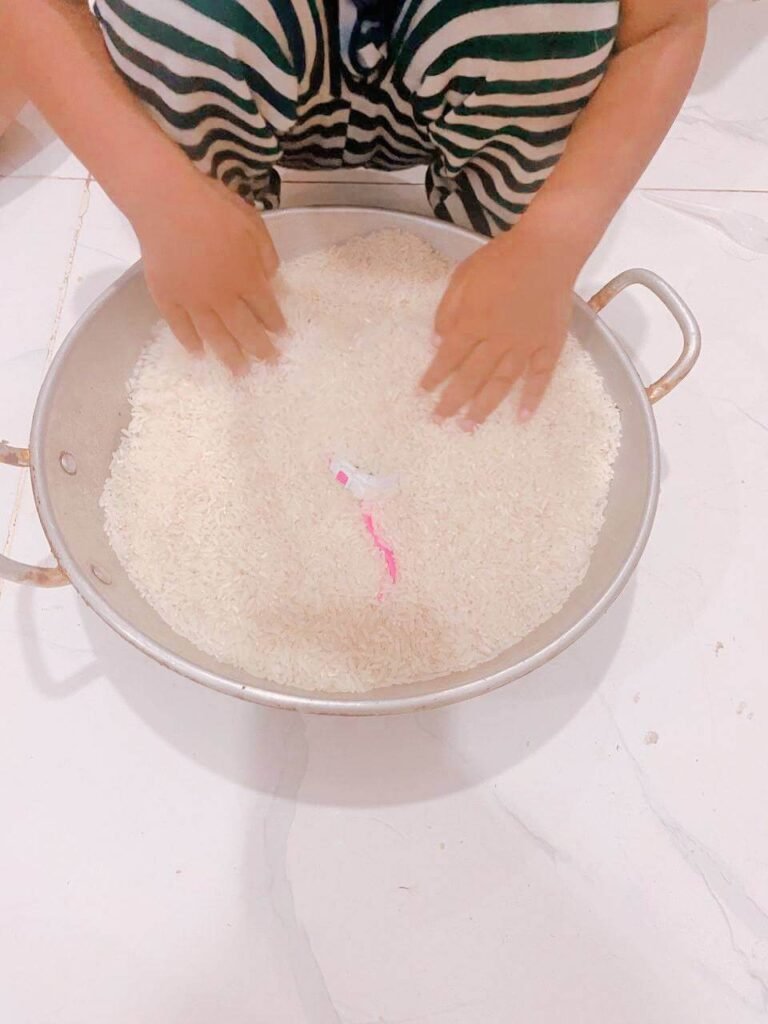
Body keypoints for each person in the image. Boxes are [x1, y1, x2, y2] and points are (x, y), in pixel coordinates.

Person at [1, 1, 707, 427]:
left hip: (470, 65)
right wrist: (157, 193)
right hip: (258, 62)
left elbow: (664, 25)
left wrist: (550, 243)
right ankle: (224, 256)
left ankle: (483, 273)